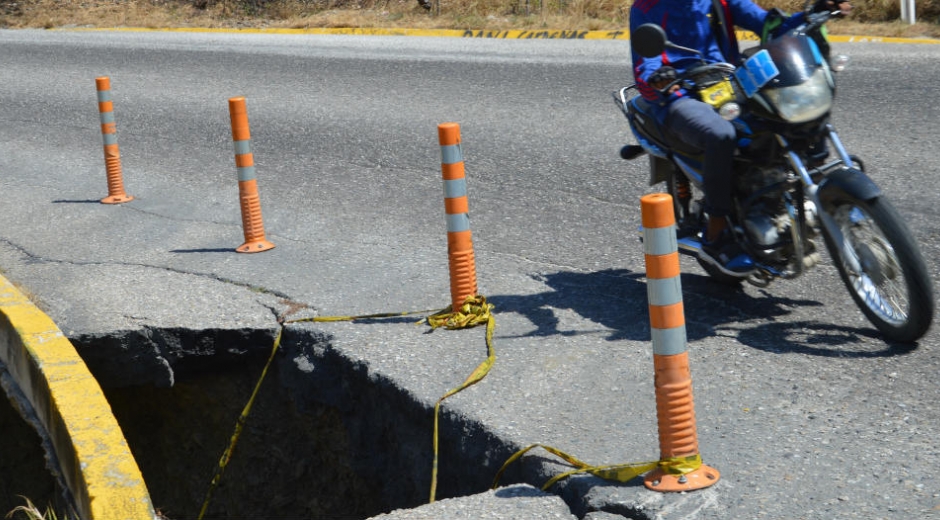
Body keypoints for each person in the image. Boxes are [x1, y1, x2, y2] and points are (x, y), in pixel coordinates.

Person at [629, 0, 849, 277]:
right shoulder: (647, 7)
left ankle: (805, 187)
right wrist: (659, 79)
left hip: (730, 83)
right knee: (721, 134)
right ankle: (715, 230)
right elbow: (644, 67)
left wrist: (811, 15)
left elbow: (769, 25)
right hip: (680, 93)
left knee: (791, 106)